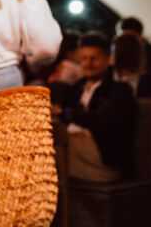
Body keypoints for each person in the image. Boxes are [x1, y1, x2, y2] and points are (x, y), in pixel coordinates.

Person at [53, 32, 137, 184]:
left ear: (108, 60)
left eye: (94, 58)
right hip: (77, 153)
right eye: (84, 58)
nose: (88, 63)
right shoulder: (77, 88)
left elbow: (101, 120)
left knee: (56, 143)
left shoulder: (119, 91)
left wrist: (66, 113)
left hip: (105, 161)